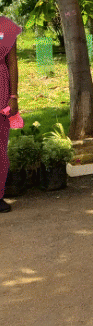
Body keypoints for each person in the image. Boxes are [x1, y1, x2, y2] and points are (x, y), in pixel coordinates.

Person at [0, 16, 20, 213]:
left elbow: (12, 63)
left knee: (0, 145)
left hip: (1, 88)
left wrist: (13, 95)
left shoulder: (6, 27)